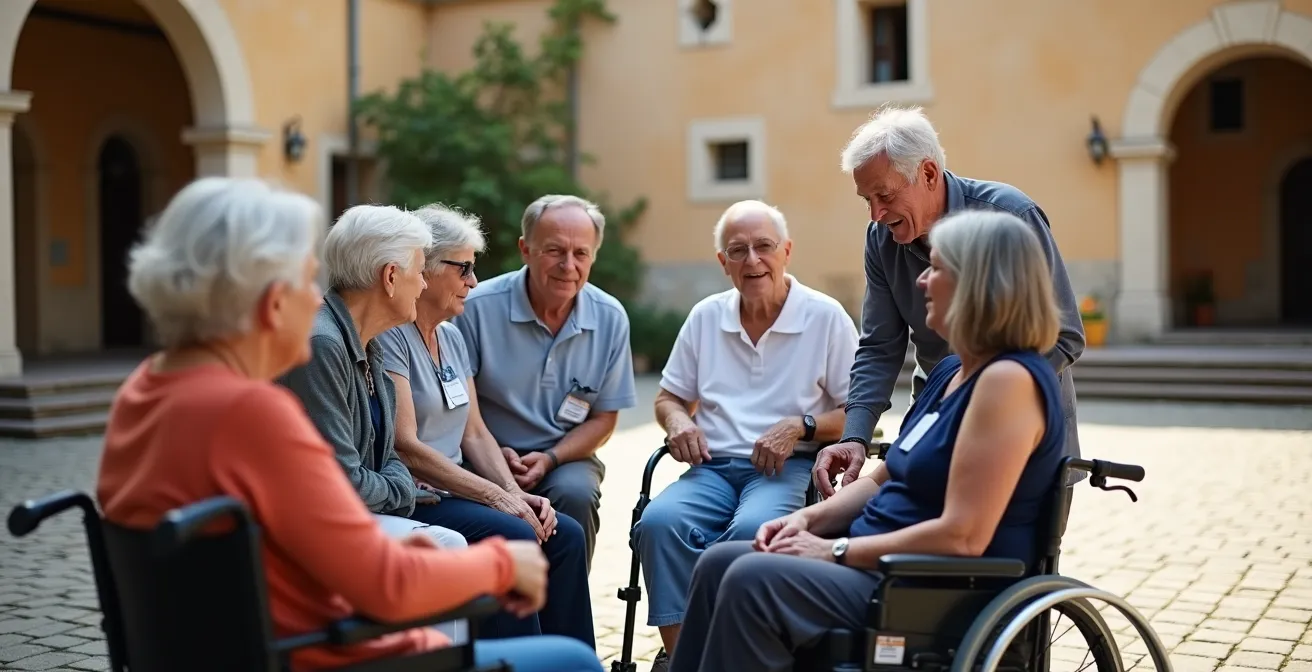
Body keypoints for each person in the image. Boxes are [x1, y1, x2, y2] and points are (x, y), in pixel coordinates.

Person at [97, 176, 604, 672]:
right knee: (574, 659)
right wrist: (503, 565)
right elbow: (385, 582)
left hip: (235, 645)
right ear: (272, 299)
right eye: (306, 279)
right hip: (320, 651)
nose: (319, 299)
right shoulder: (250, 413)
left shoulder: (143, 390)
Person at [667, 209, 1069, 672]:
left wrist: (832, 550)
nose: (921, 282)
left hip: (928, 586)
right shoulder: (950, 372)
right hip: (878, 562)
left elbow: (963, 535)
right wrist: (807, 521)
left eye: (936, 268)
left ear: (979, 283)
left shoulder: (1008, 382)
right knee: (718, 563)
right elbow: (884, 475)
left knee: (750, 579)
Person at [812, 105, 1085, 496]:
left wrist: (978, 396)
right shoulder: (881, 238)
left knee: (1016, 551)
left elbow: (1065, 337)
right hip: (935, 414)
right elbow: (879, 346)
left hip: (1021, 426)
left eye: (884, 194)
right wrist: (854, 435)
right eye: (866, 199)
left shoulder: (1009, 217)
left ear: (927, 173)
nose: (875, 214)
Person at [632, 200, 858, 670]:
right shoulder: (706, 316)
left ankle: (730, 655)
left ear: (787, 251)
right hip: (711, 468)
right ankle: (684, 659)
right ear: (723, 262)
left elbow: (857, 412)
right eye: (738, 250)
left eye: (764, 247)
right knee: (658, 524)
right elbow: (668, 398)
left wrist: (802, 425)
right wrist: (678, 422)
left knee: (753, 535)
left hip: (786, 467)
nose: (752, 260)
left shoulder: (825, 316)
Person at [376, 203, 595, 647]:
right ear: (427, 269)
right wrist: (500, 500)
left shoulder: (452, 335)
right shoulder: (390, 335)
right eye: (464, 269)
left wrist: (518, 497)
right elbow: (407, 445)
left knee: (564, 534)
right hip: (420, 496)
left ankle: (572, 659)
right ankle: (515, 659)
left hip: (457, 488)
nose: (473, 282)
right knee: (514, 533)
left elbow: (475, 432)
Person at [450, 194, 637, 571]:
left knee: (576, 493)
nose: (569, 266)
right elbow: (460, 409)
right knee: (489, 509)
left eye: (581, 253)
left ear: (594, 256)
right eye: (554, 250)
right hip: (484, 451)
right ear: (526, 249)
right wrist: (494, 459)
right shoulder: (477, 307)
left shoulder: (610, 318)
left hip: (562, 455)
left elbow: (604, 420)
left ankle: (565, 613)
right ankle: (504, 610)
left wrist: (551, 459)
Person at [276, 204, 465, 548]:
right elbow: (343, 482)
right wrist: (403, 488)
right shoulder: (323, 344)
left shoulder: (369, 341)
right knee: (447, 546)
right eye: (421, 272)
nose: (423, 285)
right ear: (390, 277)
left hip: (367, 509)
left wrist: (394, 484)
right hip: (312, 526)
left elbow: (387, 454)